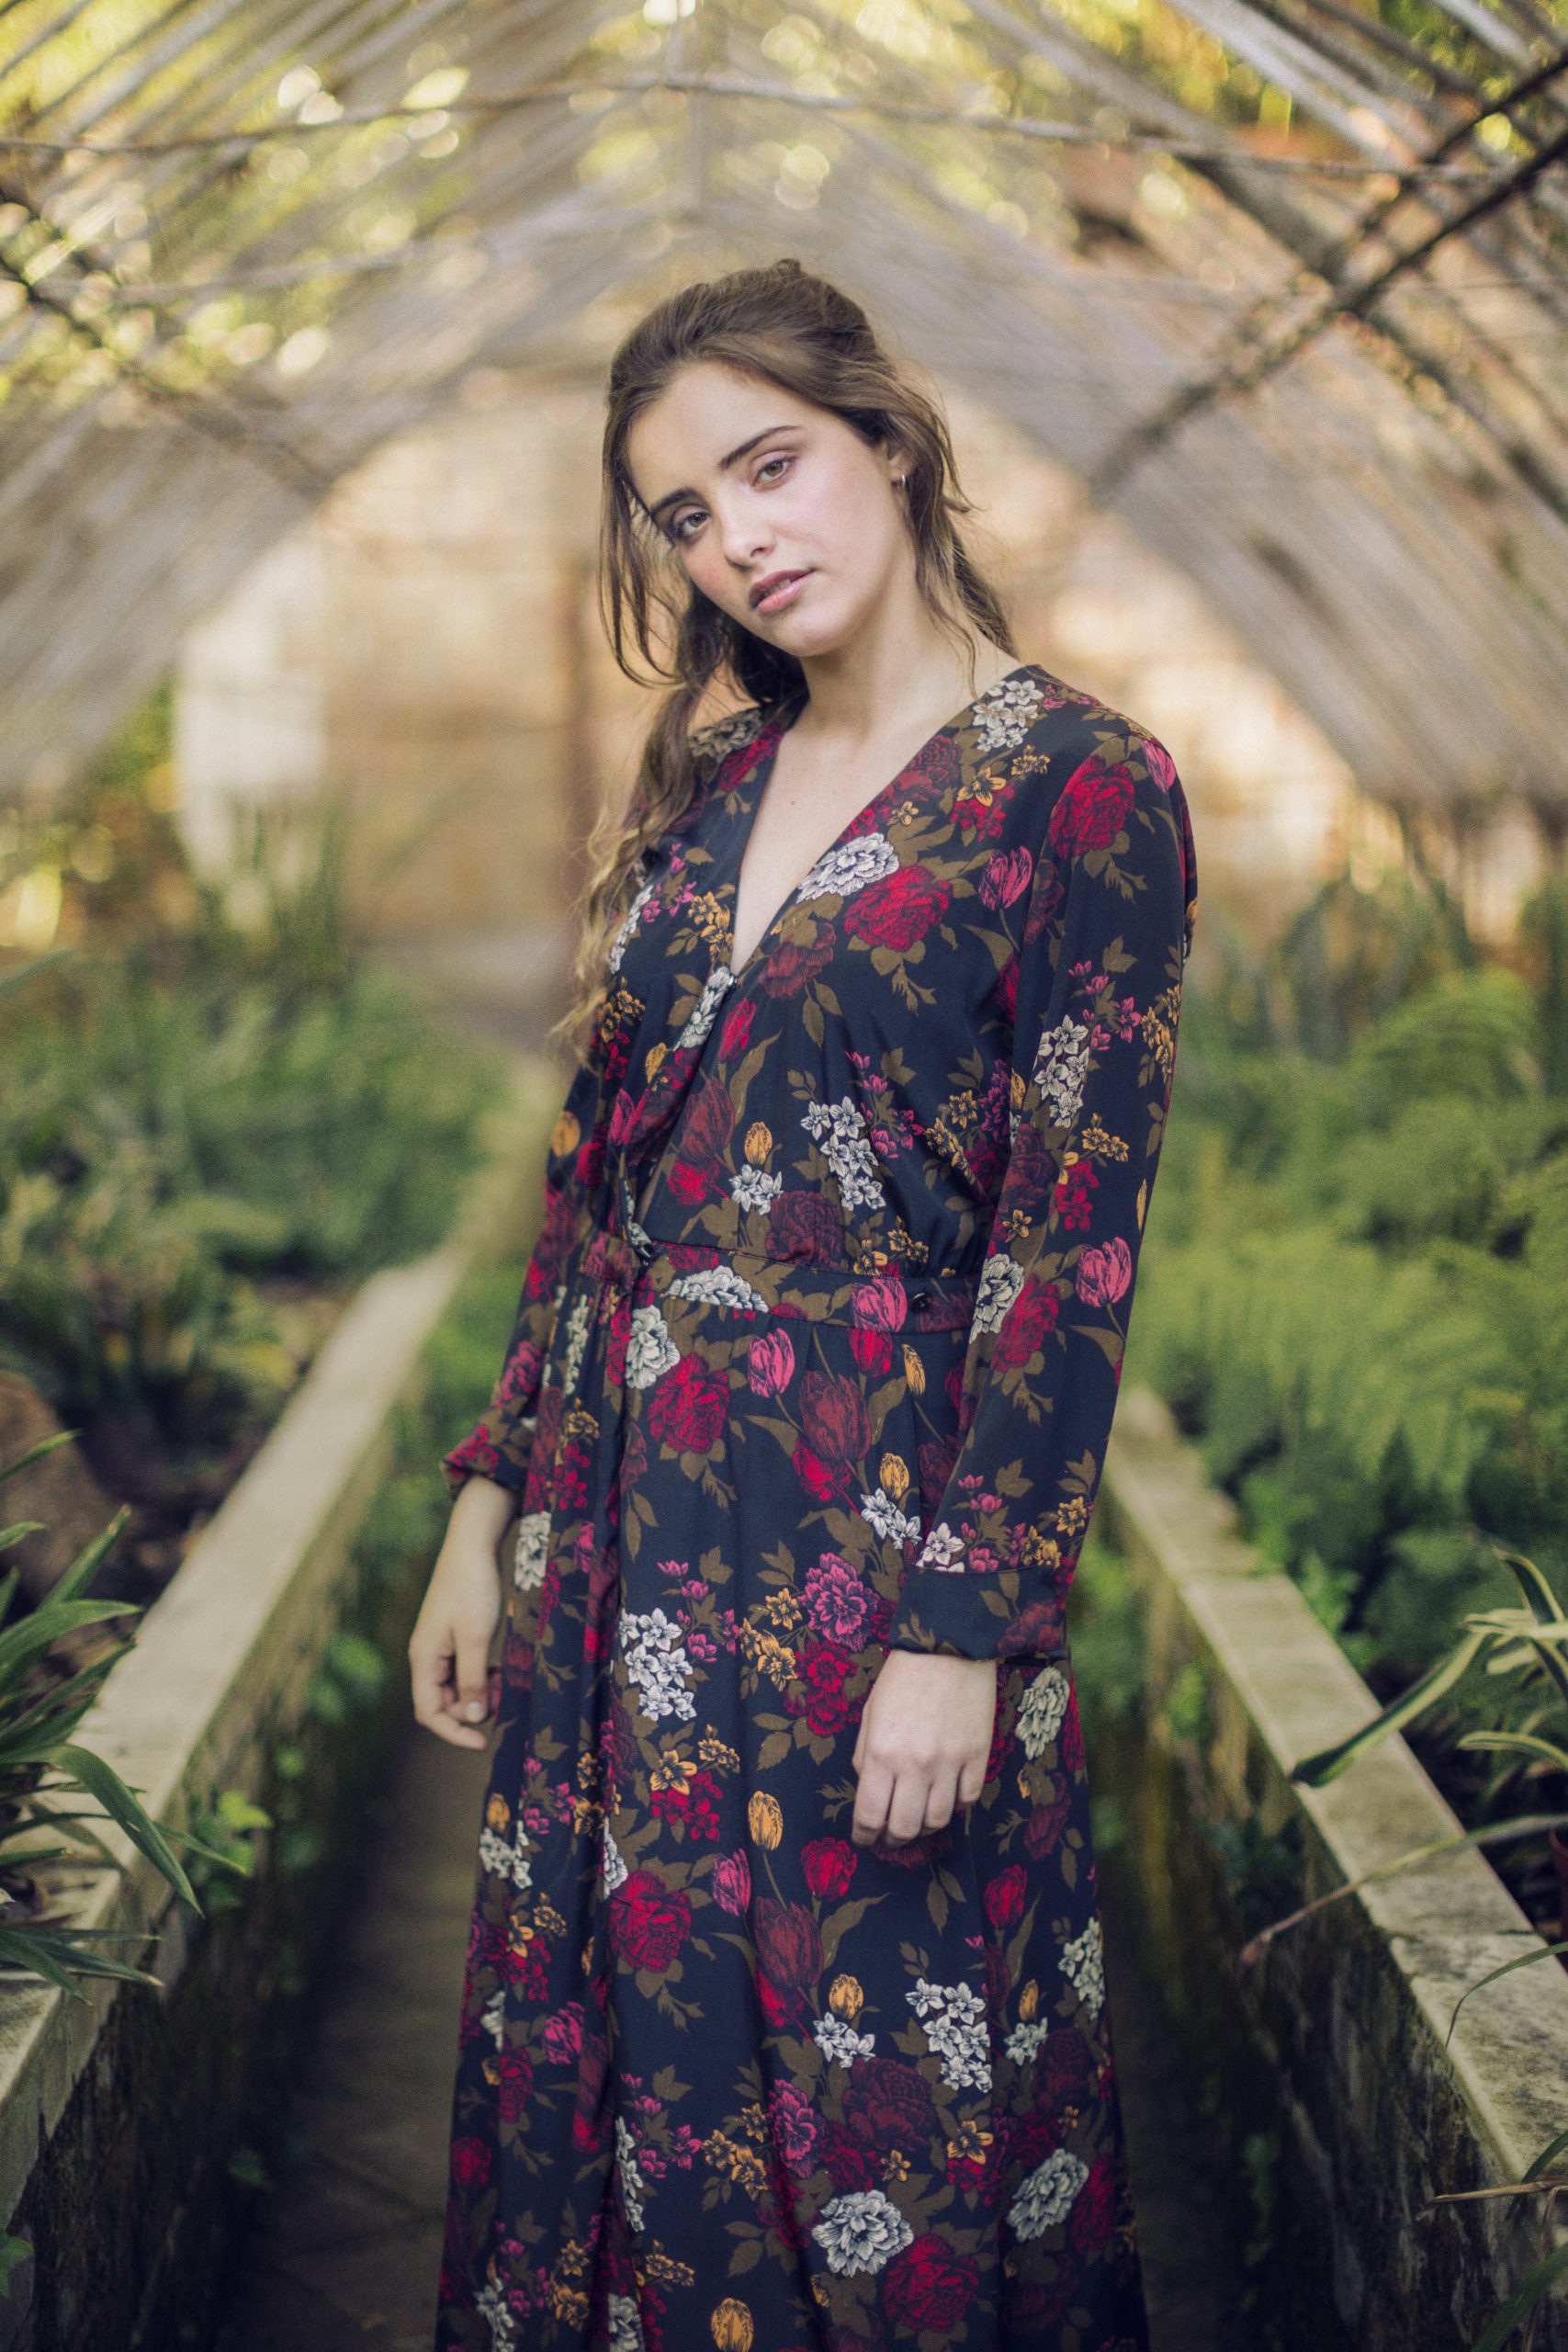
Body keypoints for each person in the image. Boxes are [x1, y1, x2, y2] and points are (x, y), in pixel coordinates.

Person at [412, 254, 1197, 2352]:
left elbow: (1067, 1251)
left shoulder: (1075, 788)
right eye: (683, 510)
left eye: (769, 463)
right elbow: (594, 1199)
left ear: (887, 440)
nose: (739, 534)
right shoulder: (704, 802)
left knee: (894, 2117)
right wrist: (488, 1501)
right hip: (621, 1581)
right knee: (625, 2082)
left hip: (875, 1582)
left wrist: (966, 1628)